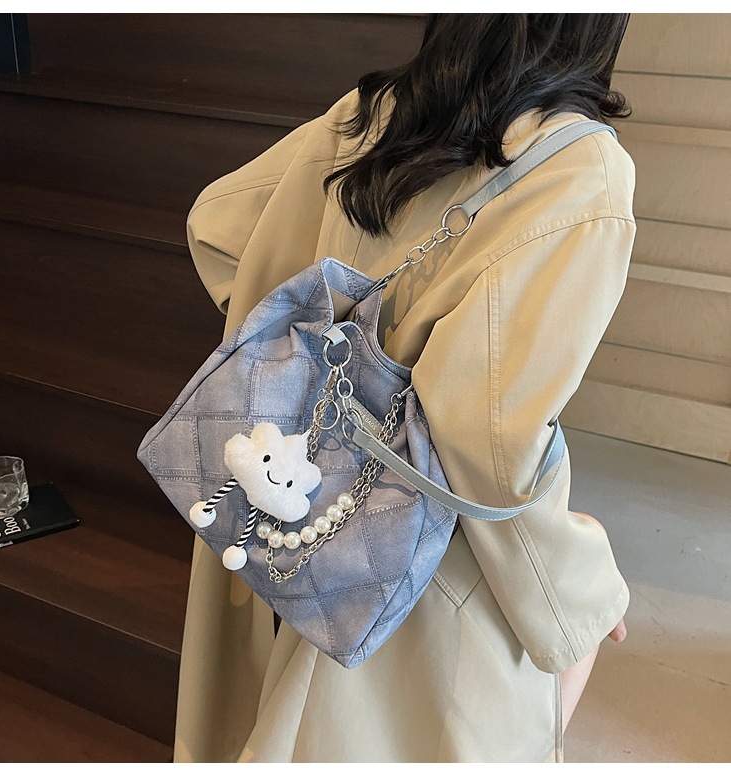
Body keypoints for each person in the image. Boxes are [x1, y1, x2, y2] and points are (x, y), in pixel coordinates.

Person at [174, 13, 634, 762]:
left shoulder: (373, 112)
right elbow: (486, 439)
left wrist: (305, 370)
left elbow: (217, 225)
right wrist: (578, 588)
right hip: (415, 561)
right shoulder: (579, 168)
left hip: (282, 502)